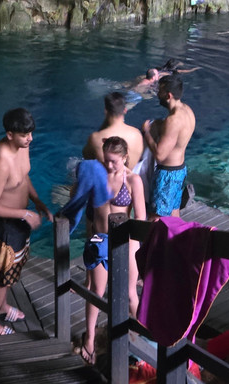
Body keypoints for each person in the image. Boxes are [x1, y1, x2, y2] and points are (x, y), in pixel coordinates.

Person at [0, 107, 53, 336]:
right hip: (6, 225)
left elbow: (23, 177)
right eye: (24, 135)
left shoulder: (23, 145)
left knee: (12, 270)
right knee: (3, 277)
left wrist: (37, 201)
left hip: (21, 217)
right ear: (10, 134)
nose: (30, 139)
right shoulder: (1, 161)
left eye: (31, 133)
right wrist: (24, 214)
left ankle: (2, 307)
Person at [80, 136, 146, 364]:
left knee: (129, 294)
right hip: (100, 239)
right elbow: (85, 207)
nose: (108, 165)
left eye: (114, 161)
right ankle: (89, 338)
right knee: (96, 290)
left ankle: (140, 340)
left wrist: (136, 247)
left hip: (125, 241)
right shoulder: (97, 175)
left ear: (125, 158)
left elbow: (141, 218)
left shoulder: (133, 180)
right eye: (106, 160)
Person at [142, 73, 196, 219]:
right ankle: (178, 240)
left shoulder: (173, 120)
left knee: (156, 217)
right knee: (173, 212)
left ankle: (158, 242)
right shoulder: (187, 110)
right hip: (180, 170)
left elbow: (160, 155)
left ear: (169, 95)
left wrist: (147, 132)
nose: (157, 94)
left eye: (160, 91)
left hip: (167, 174)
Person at [82, 92, 145, 170]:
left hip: (106, 180)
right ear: (125, 110)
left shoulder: (95, 137)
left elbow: (86, 158)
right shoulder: (137, 134)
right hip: (128, 178)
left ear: (106, 111)